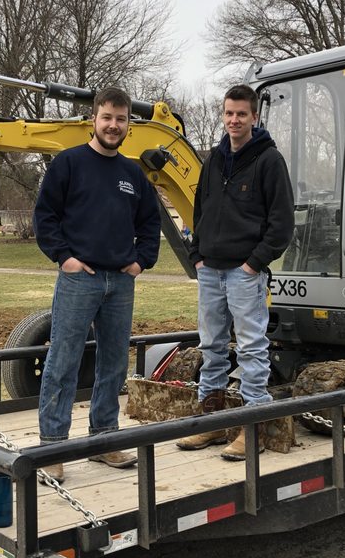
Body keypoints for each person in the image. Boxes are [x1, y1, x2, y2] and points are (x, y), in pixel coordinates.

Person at [34, 86, 161, 482]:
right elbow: (45, 216)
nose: (113, 125)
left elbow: (150, 223)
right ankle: (52, 447)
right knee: (63, 361)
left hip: (121, 283)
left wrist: (142, 262)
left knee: (113, 362)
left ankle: (105, 438)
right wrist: (64, 257)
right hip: (79, 278)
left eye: (121, 119)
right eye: (107, 117)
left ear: (128, 125)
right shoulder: (69, 164)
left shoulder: (133, 174)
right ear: (94, 119)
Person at [178, 83, 294, 459]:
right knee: (211, 346)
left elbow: (282, 224)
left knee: (251, 347)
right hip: (210, 270)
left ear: (254, 117)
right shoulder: (213, 160)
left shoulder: (269, 161)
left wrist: (252, 264)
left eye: (241, 114)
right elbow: (200, 210)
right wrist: (197, 254)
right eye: (228, 113)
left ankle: (252, 428)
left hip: (244, 273)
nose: (233, 120)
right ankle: (211, 425)